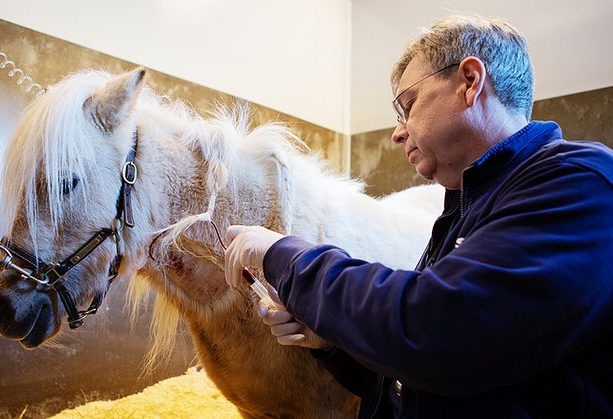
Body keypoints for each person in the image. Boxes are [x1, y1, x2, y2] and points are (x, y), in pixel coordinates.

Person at [224, 15, 613, 419]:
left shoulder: (579, 181)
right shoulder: (465, 205)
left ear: (469, 81)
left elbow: (438, 331)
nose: (397, 132)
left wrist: (285, 256)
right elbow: (416, 377)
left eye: (407, 104)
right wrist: (331, 345)